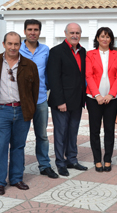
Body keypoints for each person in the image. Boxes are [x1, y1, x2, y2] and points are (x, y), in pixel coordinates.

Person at [0, 32, 39, 196]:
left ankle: (16, 178)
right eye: (10, 44)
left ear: (20, 45)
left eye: (16, 44)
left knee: (18, 146)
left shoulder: (29, 65)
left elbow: (34, 91)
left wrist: (29, 108)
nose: (13, 47)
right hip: (2, 110)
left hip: (22, 111)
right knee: (1, 146)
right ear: (3, 44)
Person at [47, 23, 88, 177]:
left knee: (73, 132)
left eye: (77, 32)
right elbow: (54, 78)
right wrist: (60, 101)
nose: (75, 35)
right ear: (65, 33)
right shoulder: (56, 51)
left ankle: (72, 159)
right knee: (60, 133)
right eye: (72, 32)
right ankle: (60, 162)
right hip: (61, 102)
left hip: (77, 101)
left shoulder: (83, 52)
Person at [19, 19, 58, 179]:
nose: (33, 32)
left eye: (36, 29)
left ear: (40, 32)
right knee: (19, 137)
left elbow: (50, 72)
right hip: (21, 101)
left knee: (42, 135)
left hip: (41, 100)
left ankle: (44, 165)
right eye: (30, 29)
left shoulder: (45, 50)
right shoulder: (17, 49)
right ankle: (17, 168)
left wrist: (47, 87)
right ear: (25, 31)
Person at [86, 27, 117, 172]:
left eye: (108, 37)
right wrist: (97, 96)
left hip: (111, 99)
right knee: (94, 130)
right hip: (93, 98)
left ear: (111, 40)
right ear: (97, 38)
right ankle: (97, 160)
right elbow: (88, 75)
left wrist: (111, 95)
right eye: (102, 36)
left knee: (109, 130)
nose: (105, 39)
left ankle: (107, 159)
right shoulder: (90, 54)